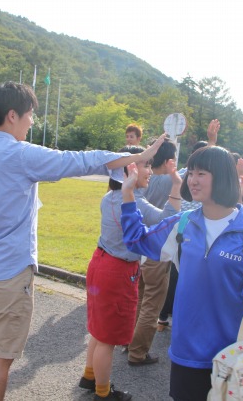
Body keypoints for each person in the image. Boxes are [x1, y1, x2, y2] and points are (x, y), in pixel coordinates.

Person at [0, 81, 166, 401]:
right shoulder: (19, 154)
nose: (32, 122)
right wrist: (138, 155)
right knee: (1, 355)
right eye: (30, 115)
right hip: (9, 271)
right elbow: (74, 161)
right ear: (12, 115)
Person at [121, 146, 243, 401]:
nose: (192, 179)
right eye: (191, 172)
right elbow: (136, 240)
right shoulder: (182, 224)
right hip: (188, 353)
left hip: (236, 354)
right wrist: (128, 194)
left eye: (201, 173)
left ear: (222, 177)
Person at [80, 145, 181, 400]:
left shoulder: (110, 197)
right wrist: (176, 187)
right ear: (131, 169)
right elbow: (167, 220)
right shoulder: (134, 201)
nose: (150, 170)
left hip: (100, 262)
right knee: (108, 338)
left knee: (99, 330)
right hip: (117, 271)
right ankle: (103, 392)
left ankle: (90, 376)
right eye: (146, 165)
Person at [125, 139, 179, 368]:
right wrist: (177, 184)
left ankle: (129, 342)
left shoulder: (124, 190)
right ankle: (137, 352)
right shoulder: (166, 181)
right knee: (152, 304)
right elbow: (163, 219)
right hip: (156, 248)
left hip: (140, 252)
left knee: (140, 299)